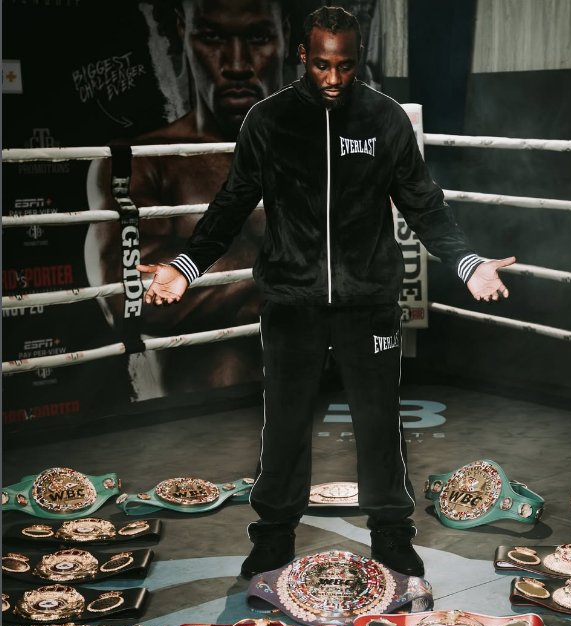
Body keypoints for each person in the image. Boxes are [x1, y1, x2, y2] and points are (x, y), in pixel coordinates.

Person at [137, 5, 514, 578]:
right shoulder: (269, 121)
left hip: (368, 302)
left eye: (344, 66)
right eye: (320, 66)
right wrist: (185, 266)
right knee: (284, 424)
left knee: (379, 421)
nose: (333, 79)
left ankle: (390, 532)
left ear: (357, 60)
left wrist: (466, 263)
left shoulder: (385, 120)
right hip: (293, 301)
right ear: (301, 58)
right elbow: (232, 203)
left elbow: (422, 201)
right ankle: (272, 535)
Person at [84, 0, 291, 396]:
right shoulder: (143, 161)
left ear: (285, 33)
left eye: (258, 37)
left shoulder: (316, 152)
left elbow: (357, 269)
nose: (236, 64)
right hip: (196, 425)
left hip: (317, 405)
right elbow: (130, 300)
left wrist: (203, 276)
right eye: (212, 37)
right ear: (184, 30)